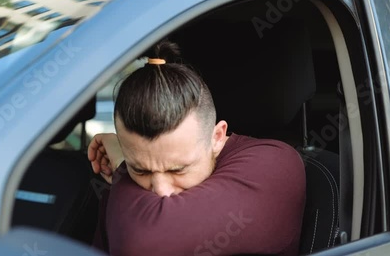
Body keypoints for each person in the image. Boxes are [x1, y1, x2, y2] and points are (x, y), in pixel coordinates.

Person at [87, 40, 306, 256]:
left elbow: (141, 242)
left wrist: (123, 167)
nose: (161, 190)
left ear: (217, 137)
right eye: (141, 170)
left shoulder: (274, 165)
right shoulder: (129, 182)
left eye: (177, 170)